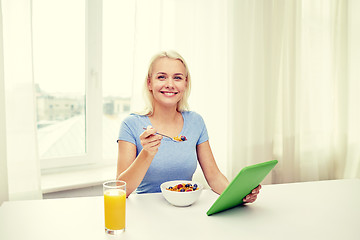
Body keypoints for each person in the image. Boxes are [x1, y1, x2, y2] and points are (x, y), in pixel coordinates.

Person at [116, 50, 261, 203]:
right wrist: (147, 153)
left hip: (186, 210)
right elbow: (120, 190)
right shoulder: (131, 125)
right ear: (149, 83)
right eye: (161, 77)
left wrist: (239, 195)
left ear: (185, 83)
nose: (170, 84)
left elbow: (214, 177)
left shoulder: (195, 122)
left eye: (177, 78)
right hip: (146, 213)